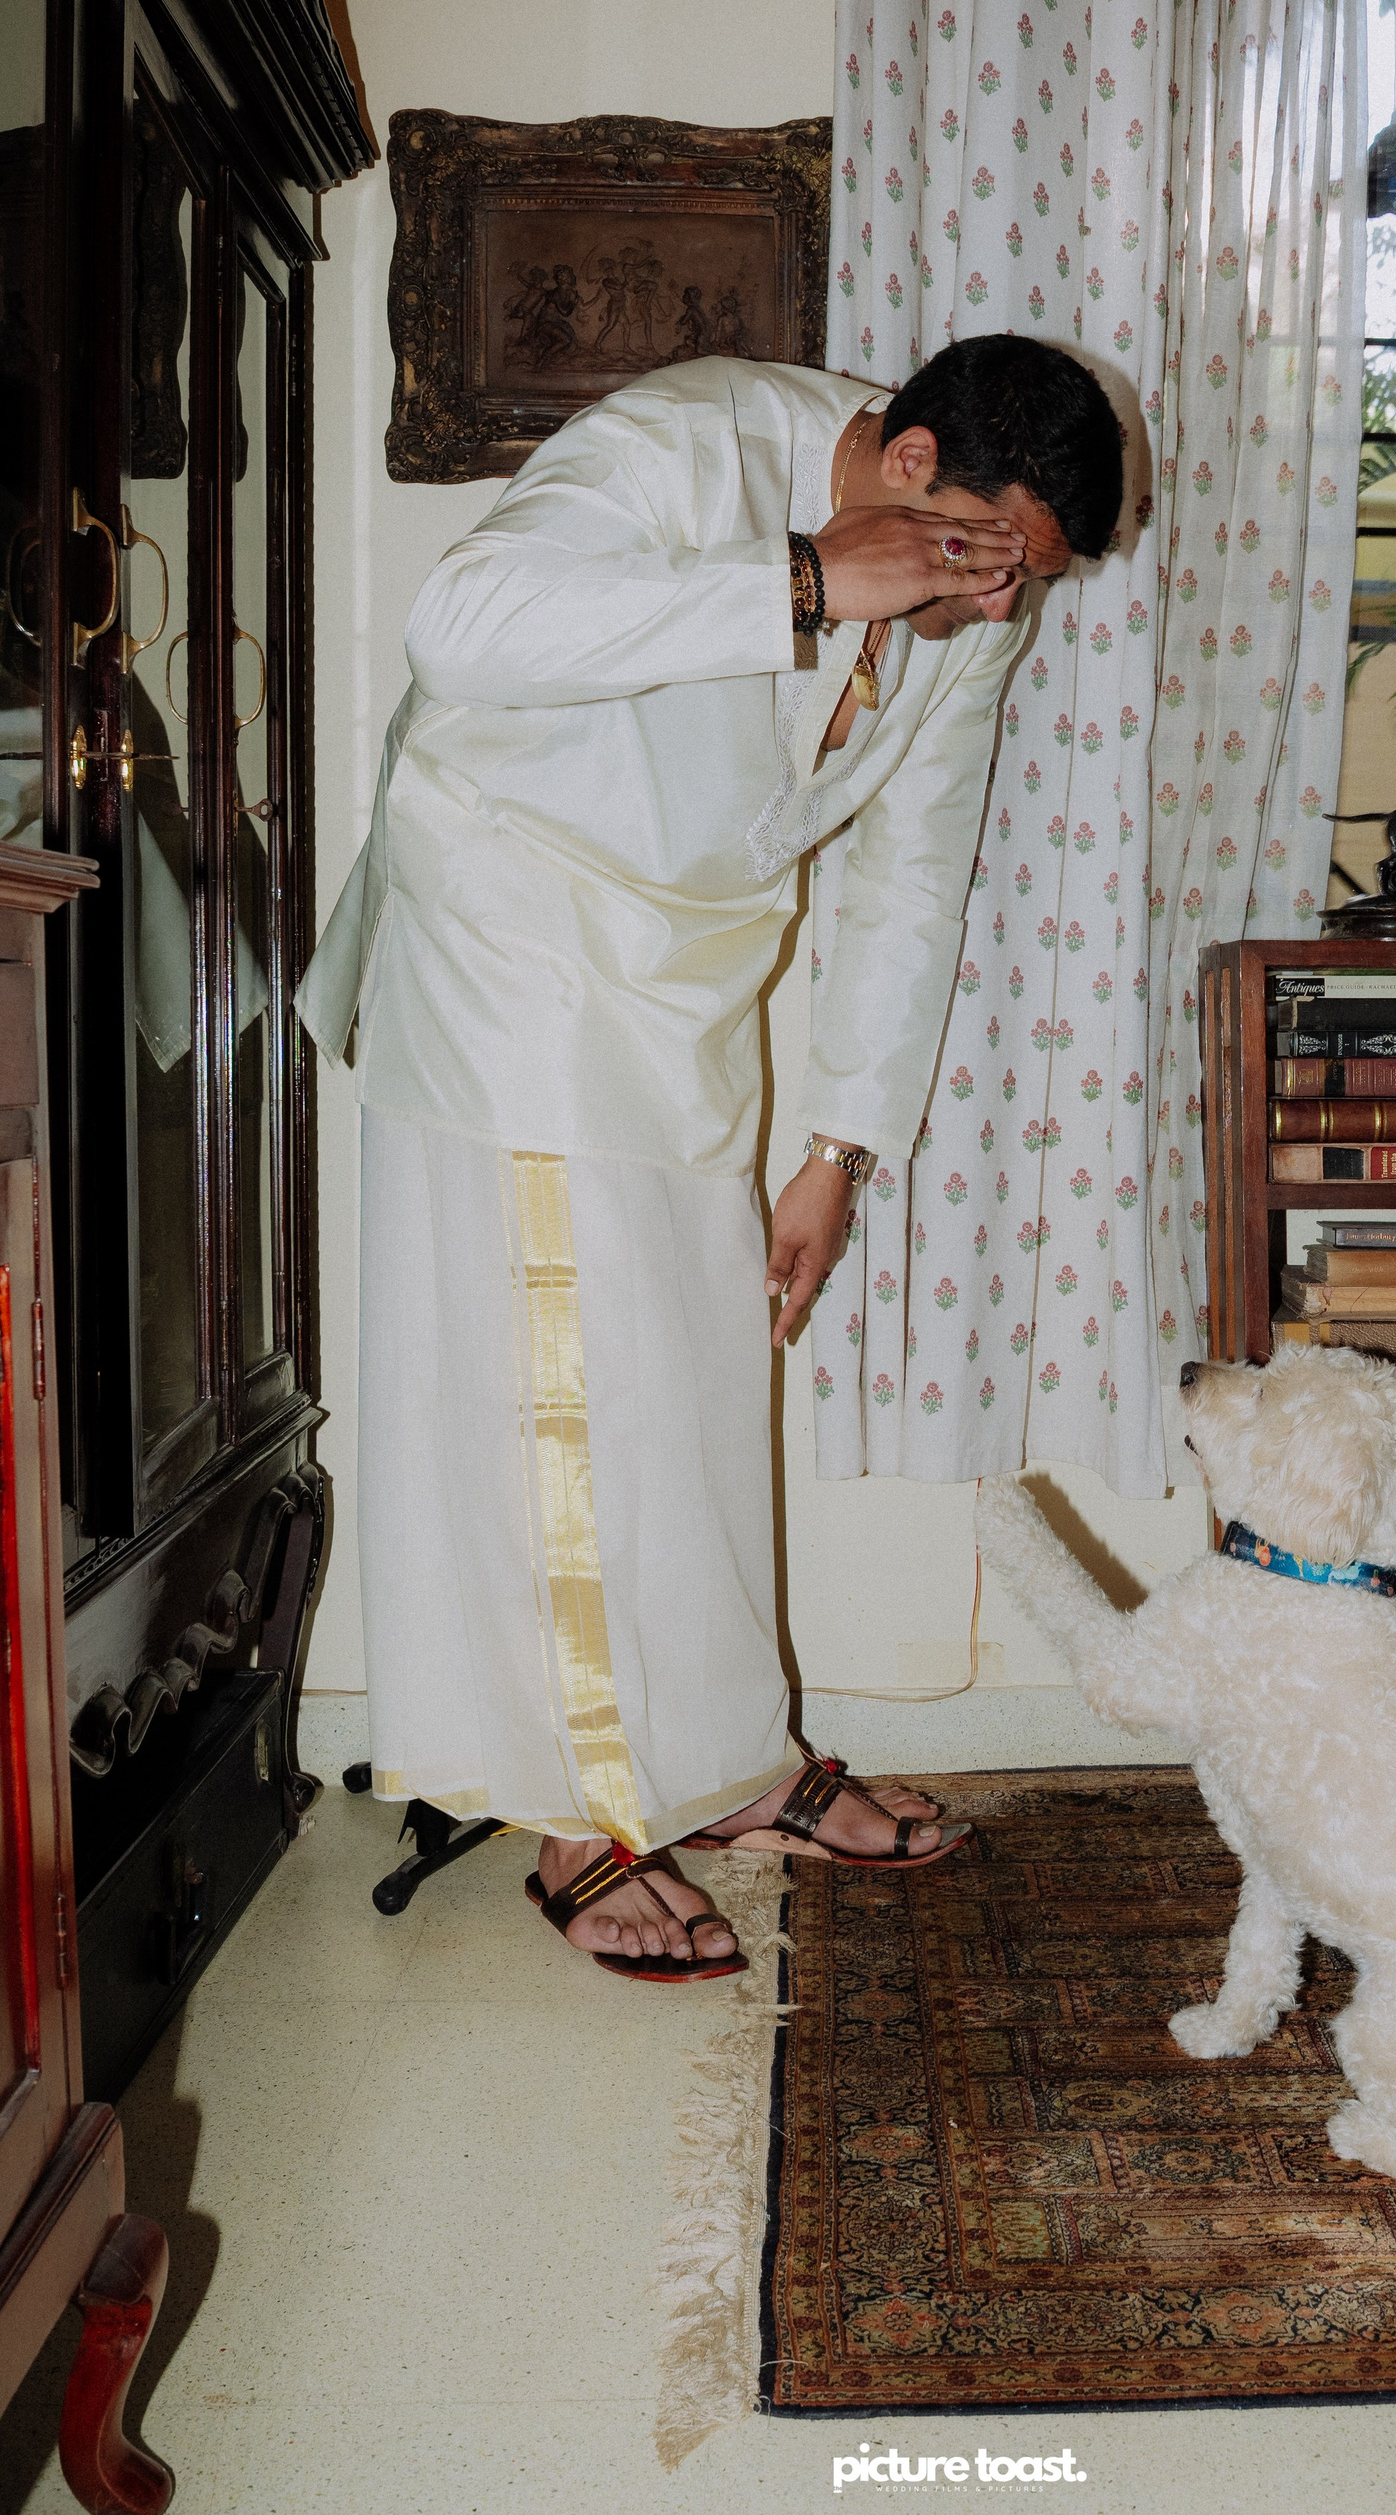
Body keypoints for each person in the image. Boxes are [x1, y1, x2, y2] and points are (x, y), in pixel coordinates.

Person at [300, 336, 1124, 1978]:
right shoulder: (688, 442)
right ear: (908, 464)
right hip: (514, 934)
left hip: (685, 976)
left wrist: (839, 1150)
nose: (994, 606)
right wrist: (807, 580)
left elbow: (914, 869)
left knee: (689, 1382)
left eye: (1024, 579)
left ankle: (732, 1762)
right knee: (560, 1389)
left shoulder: (976, 597)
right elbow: (461, 625)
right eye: (981, 558)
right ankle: (583, 1817)